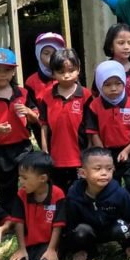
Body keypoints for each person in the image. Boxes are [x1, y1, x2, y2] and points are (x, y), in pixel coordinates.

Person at [0, 48, 37, 211]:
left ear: (13, 72)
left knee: (30, 179)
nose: (3, 74)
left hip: (23, 146)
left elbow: (37, 117)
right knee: (5, 186)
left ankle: (31, 212)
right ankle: (9, 217)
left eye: (7, 70)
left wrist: (29, 112)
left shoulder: (23, 93)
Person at [62, 148, 130, 260]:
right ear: (82, 173)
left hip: (112, 228)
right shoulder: (74, 195)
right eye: (98, 168)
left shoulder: (119, 193)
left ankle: (126, 247)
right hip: (89, 231)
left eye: (109, 169)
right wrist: (76, 250)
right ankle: (88, 250)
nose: (104, 173)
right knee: (80, 231)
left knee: (123, 228)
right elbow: (69, 224)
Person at [84, 60, 130, 208]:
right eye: (107, 84)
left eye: (118, 83)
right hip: (107, 153)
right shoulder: (94, 106)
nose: (113, 88)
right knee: (110, 188)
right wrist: (105, 155)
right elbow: (94, 133)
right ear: (99, 85)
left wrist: (127, 150)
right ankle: (116, 215)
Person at [8, 152, 66, 260]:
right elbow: (18, 222)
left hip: (48, 244)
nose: (21, 181)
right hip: (29, 244)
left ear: (42, 178)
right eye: (20, 177)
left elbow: (58, 225)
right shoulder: (21, 194)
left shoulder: (57, 194)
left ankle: (42, 258)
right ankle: (30, 259)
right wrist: (21, 249)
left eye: (25, 178)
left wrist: (51, 249)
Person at [37, 49, 87, 192]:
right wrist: (45, 149)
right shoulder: (46, 97)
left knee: (79, 193)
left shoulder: (86, 96)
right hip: (55, 157)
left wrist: (89, 153)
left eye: (71, 70)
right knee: (58, 193)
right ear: (53, 73)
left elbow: (91, 128)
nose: (66, 75)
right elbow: (44, 124)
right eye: (60, 72)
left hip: (79, 157)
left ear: (78, 69)